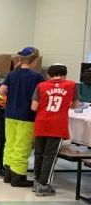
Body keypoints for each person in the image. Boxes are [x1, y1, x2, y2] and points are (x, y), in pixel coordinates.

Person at [0, 46, 44, 187]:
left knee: (10, 144)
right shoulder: (37, 77)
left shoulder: (12, 75)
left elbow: (1, 92)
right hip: (26, 116)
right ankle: (18, 177)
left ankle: (8, 175)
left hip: (10, 115)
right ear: (35, 60)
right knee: (22, 147)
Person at [31, 63, 79, 196]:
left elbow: (34, 107)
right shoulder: (72, 85)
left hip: (41, 123)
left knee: (39, 154)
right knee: (50, 156)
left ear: (48, 75)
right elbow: (75, 105)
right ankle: (44, 185)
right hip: (57, 125)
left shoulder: (41, 85)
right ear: (65, 75)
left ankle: (37, 181)